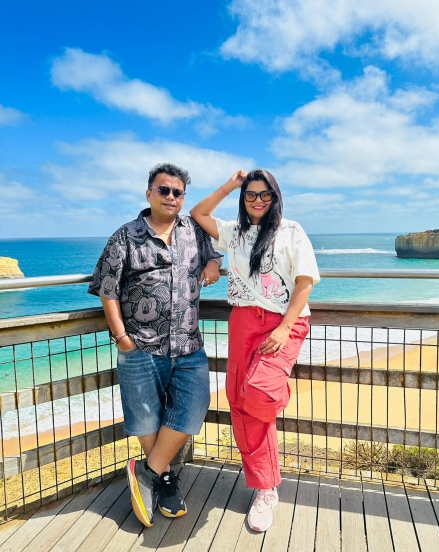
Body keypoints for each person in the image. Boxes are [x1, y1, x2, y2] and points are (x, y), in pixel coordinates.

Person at [88, 162, 222, 528]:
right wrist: (121, 338)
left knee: (194, 407)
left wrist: (213, 262)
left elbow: (217, 250)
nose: (171, 197)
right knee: (146, 416)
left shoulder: (194, 231)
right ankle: (163, 481)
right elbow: (107, 288)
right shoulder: (125, 236)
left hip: (188, 344)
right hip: (140, 346)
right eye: (164, 190)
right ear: (149, 193)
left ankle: (146, 471)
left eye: (177, 192)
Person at [190, 169, 320, 532]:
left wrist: (283, 327)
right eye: (250, 195)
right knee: (239, 399)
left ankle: (274, 394)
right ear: (243, 198)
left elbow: (305, 282)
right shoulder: (235, 232)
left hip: (284, 322)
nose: (258, 201)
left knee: (260, 394)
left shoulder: (291, 230)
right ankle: (266, 488)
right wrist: (229, 185)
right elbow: (198, 215)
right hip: (243, 322)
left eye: (265, 195)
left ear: (275, 197)